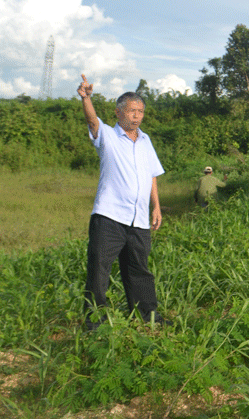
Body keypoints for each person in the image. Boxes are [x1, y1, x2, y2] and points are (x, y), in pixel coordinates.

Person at [78, 74, 165, 330]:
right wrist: (86, 98)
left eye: (140, 111)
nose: (136, 116)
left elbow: (151, 175)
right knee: (99, 270)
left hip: (138, 218)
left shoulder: (146, 140)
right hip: (109, 217)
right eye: (131, 111)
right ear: (118, 113)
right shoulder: (108, 136)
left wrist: (156, 206)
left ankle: (148, 317)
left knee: (140, 270)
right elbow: (92, 121)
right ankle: (95, 322)